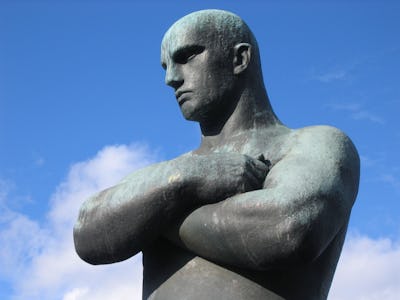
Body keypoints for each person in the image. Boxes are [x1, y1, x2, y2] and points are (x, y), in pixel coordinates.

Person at [74, 9, 360, 300]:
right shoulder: (173, 176)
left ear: (240, 59)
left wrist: (154, 216)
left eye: (187, 56)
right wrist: (188, 178)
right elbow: (87, 233)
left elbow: (288, 228)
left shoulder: (313, 143)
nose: (171, 78)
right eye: (166, 66)